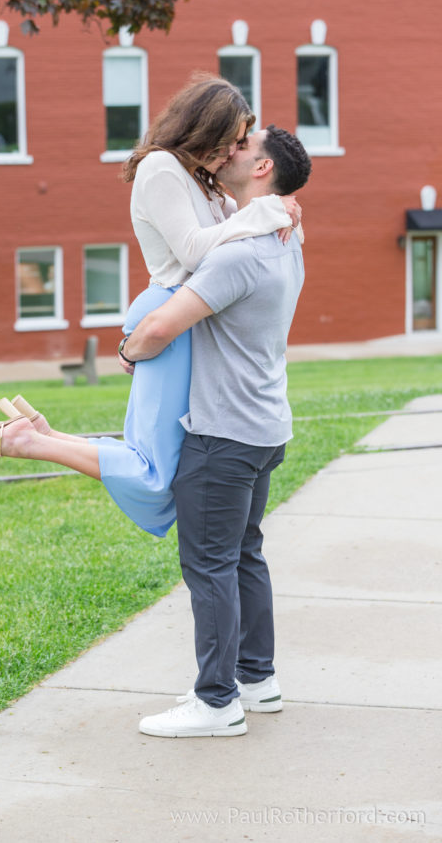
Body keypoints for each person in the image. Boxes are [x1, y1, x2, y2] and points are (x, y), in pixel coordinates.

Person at [0, 76, 300, 538]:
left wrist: (282, 206)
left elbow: (241, 234)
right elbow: (196, 252)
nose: (232, 152)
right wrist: (262, 212)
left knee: (163, 464)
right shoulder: (161, 168)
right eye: (229, 141)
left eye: (240, 145)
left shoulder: (201, 179)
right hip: (168, 319)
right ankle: (30, 441)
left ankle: (41, 434)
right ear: (203, 128)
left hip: (184, 322)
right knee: (154, 472)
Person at [116, 125, 312, 737]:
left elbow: (159, 330)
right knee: (243, 554)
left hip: (221, 434)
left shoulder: (237, 254)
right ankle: (258, 679)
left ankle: (217, 702)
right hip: (264, 427)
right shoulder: (286, 239)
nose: (229, 151)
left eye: (242, 149)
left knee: (209, 566)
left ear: (261, 172)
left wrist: (128, 348)